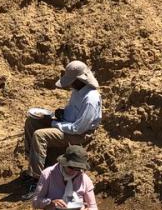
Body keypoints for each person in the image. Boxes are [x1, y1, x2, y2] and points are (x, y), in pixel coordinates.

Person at [22, 60, 103, 197]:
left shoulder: (91, 99)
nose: (70, 84)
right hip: (67, 125)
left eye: (71, 81)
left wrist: (55, 124)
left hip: (78, 134)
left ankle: (37, 180)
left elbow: (79, 128)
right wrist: (61, 114)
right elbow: (72, 113)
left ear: (79, 80)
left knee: (39, 135)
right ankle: (34, 163)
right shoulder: (78, 91)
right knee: (32, 121)